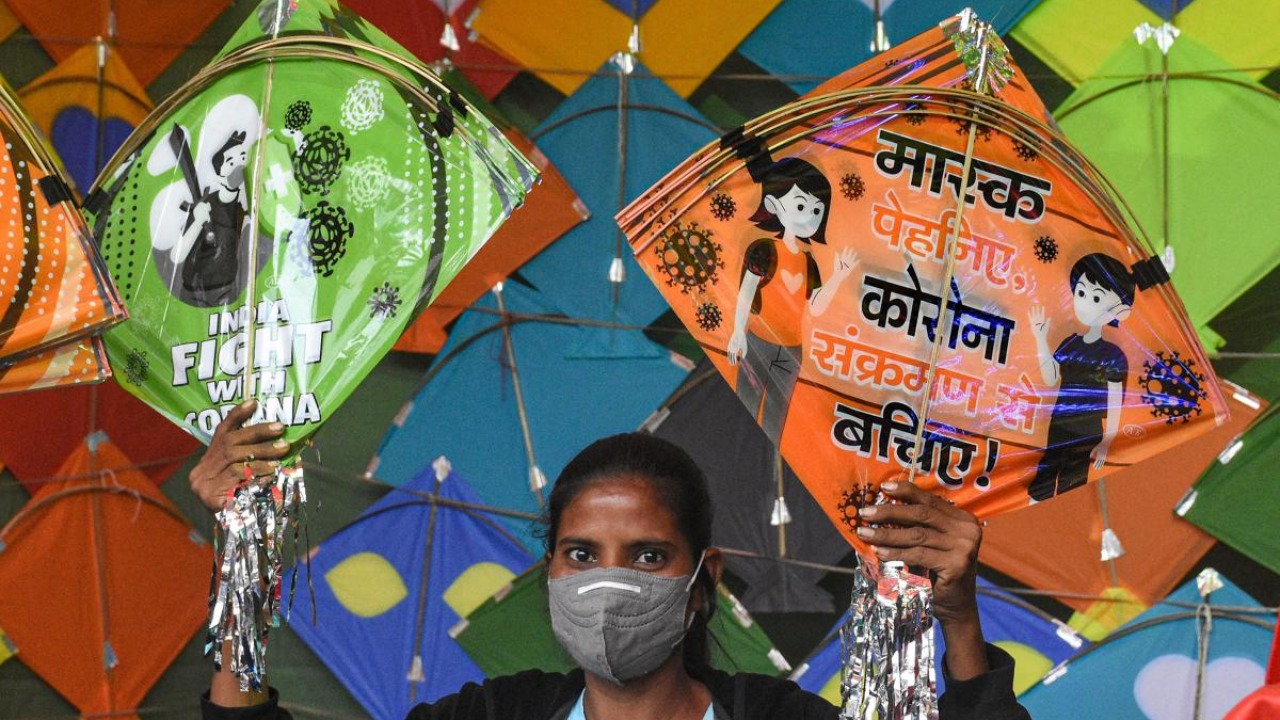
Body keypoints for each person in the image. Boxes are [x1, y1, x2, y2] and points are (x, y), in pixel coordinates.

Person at [194, 401, 1030, 719]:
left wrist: (955, 616)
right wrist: (243, 549)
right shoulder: (493, 717)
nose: (609, 579)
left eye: (650, 554)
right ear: (549, 572)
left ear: (703, 585)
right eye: (582, 552)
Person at [726, 157, 857, 445]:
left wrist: (837, 277)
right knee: (745, 407)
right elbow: (746, 292)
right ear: (773, 205)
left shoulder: (809, 263)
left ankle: (768, 465)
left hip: (792, 351)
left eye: (815, 210)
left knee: (776, 418)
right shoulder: (764, 249)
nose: (808, 215)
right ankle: (739, 450)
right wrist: (737, 331)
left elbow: (816, 306)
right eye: (800, 205)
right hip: (758, 341)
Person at [1027, 252, 1133, 502]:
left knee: (1071, 481)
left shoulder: (1113, 355)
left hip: (1088, 428)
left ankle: (1060, 514)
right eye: (1082, 293)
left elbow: (1116, 401)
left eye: (1097, 298)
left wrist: (1108, 440)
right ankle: (1033, 504)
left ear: (1119, 310)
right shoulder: (1070, 343)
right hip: (1059, 421)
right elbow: (1051, 377)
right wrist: (1040, 339)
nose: (1086, 303)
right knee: (1046, 470)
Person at [173, 130, 250, 307]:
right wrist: (198, 222)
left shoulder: (244, 207)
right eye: (230, 162)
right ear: (219, 173)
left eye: (243, 157)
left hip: (228, 295)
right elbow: (177, 254)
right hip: (195, 298)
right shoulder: (205, 205)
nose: (239, 165)